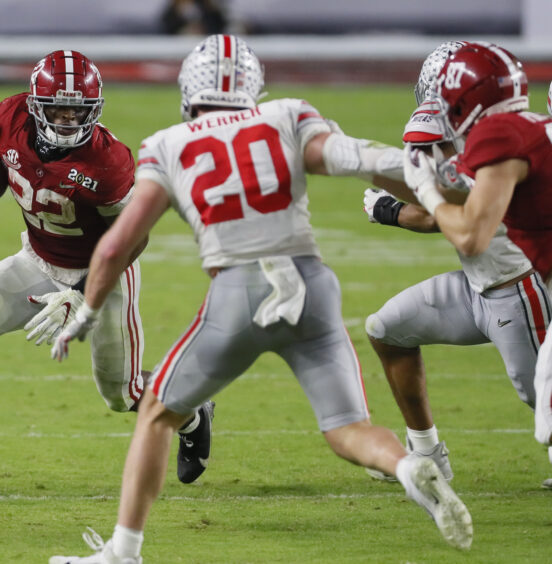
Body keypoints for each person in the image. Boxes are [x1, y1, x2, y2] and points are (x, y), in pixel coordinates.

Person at [47, 34, 473, 563]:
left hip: (240, 291)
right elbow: (361, 159)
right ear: (253, 87)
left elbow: (116, 244)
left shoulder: (169, 143)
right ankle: (407, 467)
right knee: (348, 429)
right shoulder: (287, 116)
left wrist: (86, 311)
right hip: (312, 286)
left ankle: (123, 553)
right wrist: (441, 190)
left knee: (156, 412)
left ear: (189, 88)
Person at [0, 50, 214, 498]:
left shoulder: (108, 161)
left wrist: (79, 292)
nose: (69, 117)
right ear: (35, 106)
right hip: (35, 259)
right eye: (58, 107)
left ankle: (192, 412)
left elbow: (133, 238)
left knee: (122, 395)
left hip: (102, 276)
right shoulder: (10, 115)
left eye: (79, 108)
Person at [362, 41, 551, 486]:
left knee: (540, 398)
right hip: (476, 284)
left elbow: (449, 218)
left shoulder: (504, 140)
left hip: (516, 284)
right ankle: (427, 453)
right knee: (387, 329)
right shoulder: (500, 130)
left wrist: (389, 207)